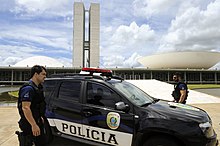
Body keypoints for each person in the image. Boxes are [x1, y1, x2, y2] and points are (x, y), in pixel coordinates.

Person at [17, 65, 47, 146]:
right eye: (43, 74)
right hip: (29, 124)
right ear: (36, 74)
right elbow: (26, 108)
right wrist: (33, 125)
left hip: (36, 121)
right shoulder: (28, 88)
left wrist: (39, 117)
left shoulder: (38, 88)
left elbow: (36, 105)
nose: (45, 76)